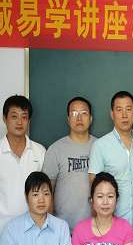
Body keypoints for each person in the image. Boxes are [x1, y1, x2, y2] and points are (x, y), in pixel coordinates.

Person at [0, 95, 46, 245]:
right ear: (5, 119)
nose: (19, 122)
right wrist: (0, 214)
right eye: (14, 116)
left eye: (24, 117)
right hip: (0, 234)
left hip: (33, 233)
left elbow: (46, 192)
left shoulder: (40, 151)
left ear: (29, 120)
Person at [42, 96, 98, 230]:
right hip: (63, 229)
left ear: (91, 118)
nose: (79, 118)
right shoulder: (56, 149)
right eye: (74, 113)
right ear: (68, 119)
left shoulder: (100, 147)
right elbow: (47, 190)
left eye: (84, 113)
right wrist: (51, 226)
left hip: (95, 228)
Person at [89, 91, 133, 230]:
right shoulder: (100, 146)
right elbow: (94, 186)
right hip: (112, 226)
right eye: (119, 110)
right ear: (112, 114)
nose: (124, 115)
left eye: (128, 109)